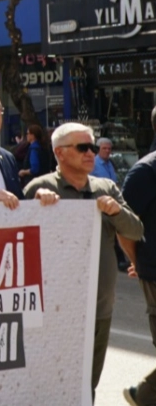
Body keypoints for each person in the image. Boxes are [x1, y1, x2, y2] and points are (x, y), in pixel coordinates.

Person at [23, 122, 141, 398]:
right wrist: (36, 208)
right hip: (56, 309)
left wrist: (116, 212)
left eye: (93, 146)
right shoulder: (39, 188)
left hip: (100, 304)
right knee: (56, 384)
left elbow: (136, 230)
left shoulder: (106, 187)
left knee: (88, 385)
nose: (92, 152)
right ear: (60, 153)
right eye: (83, 147)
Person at [121, 146, 156, 406]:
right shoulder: (145, 171)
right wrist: (138, 262)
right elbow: (124, 225)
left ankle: (143, 395)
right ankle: (144, 396)